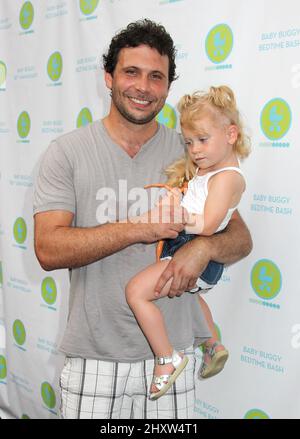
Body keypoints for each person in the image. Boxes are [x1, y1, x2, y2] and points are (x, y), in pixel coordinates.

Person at [33, 19, 252, 419]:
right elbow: (48, 249)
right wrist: (143, 228)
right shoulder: (66, 152)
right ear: (108, 77)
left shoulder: (192, 150)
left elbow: (238, 238)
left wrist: (202, 248)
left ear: (168, 87)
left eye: (157, 76)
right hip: (93, 358)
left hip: (175, 354)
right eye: (131, 72)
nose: (143, 87)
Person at [125, 85, 251, 400]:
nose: (194, 150)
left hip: (191, 248)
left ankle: (167, 358)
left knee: (136, 293)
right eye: (189, 142)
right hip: (188, 248)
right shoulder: (209, 172)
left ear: (231, 134)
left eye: (203, 140)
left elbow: (208, 224)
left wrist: (171, 219)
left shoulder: (227, 178)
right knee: (193, 299)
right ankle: (211, 344)